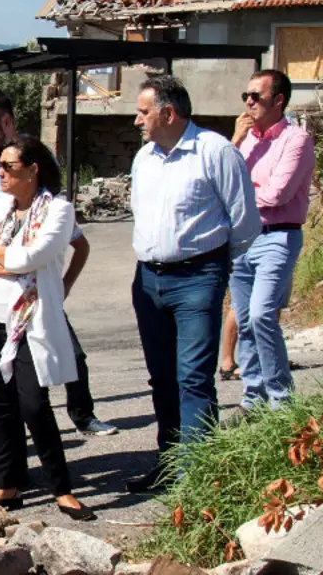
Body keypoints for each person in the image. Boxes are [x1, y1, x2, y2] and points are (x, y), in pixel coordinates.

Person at [127, 75, 259, 493]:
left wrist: (216, 270)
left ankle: (198, 474)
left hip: (198, 277)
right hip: (148, 279)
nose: (136, 121)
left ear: (168, 113)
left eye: (142, 111)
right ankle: (169, 463)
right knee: (161, 376)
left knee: (194, 377)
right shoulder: (145, 157)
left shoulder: (215, 151)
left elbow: (244, 224)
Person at [0, 89, 117, 437]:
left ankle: (82, 414)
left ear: (6, 122)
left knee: (67, 356)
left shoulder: (28, 164)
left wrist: (61, 287)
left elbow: (75, 244)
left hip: (34, 292)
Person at [0, 135, 94, 521]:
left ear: (33, 170)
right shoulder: (0, 206)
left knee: (34, 405)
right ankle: (8, 483)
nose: (0, 173)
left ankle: (62, 487)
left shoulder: (59, 209)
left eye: (9, 167)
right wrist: (9, 261)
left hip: (29, 319)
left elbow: (37, 254)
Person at [227, 69, 315, 418]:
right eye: (245, 96)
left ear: (278, 101)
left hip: (278, 235)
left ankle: (282, 400)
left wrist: (238, 194)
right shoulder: (245, 140)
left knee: (264, 314)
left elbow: (278, 194)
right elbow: (219, 180)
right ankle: (253, 399)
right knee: (246, 319)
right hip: (242, 240)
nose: (249, 103)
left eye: (256, 97)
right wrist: (234, 141)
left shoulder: (296, 140)